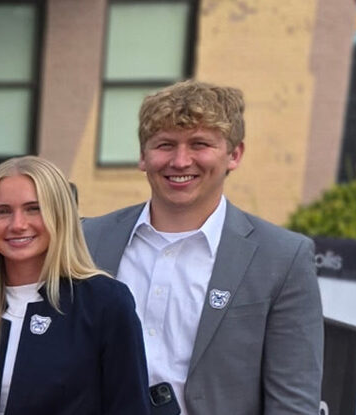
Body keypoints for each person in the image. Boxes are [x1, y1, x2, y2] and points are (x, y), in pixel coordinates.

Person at [81, 80, 322, 414]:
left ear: (234, 155)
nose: (180, 161)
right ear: (142, 156)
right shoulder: (87, 239)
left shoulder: (282, 258)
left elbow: (293, 402)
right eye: (165, 144)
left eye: (199, 144)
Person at [0, 156, 150, 414]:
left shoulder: (105, 304)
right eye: (3, 211)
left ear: (60, 217)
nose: (18, 224)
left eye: (33, 208)